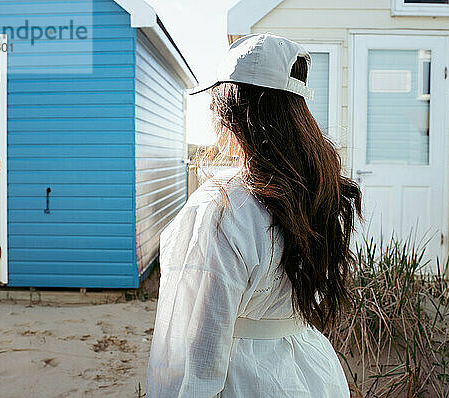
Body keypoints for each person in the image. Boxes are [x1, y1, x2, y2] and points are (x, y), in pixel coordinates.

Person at [146, 32, 361, 397]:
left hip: (243, 381)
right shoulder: (315, 189)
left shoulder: (220, 209)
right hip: (310, 374)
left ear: (228, 111)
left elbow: (195, 352)